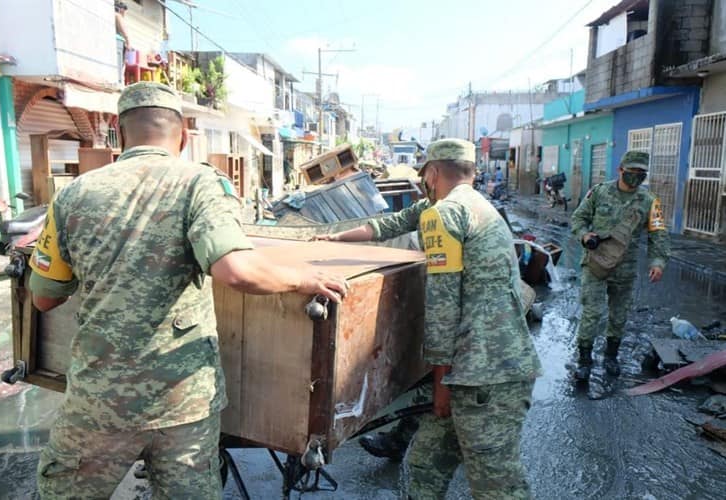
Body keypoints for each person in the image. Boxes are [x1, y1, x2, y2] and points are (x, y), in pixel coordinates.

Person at [28, 82, 348, 499]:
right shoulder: (201, 183)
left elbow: (44, 297)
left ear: (119, 132)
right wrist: (303, 278)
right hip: (183, 404)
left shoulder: (72, 194)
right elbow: (236, 270)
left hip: (99, 400)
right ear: (182, 135)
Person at [314, 138, 541, 499]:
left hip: (485, 376)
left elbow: (443, 305)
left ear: (433, 172)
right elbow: (388, 224)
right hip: (481, 368)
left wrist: (441, 382)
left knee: (497, 486)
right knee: (425, 465)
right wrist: (333, 238)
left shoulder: (444, 214)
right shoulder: (474, 205)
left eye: (425, 175)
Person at [570, 150, 670, 381]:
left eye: (641, 174)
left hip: (625, 267)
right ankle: (584, 361)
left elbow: (659, 233)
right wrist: (584, 236)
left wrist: (658, 261)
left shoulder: (649, 201)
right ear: (620, 170)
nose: (636, 177)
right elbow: (578, 219)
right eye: (631, 172)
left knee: (619, 316)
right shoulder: (599, 192)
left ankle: (611, 357)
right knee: (592, 313)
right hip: (595, 264)